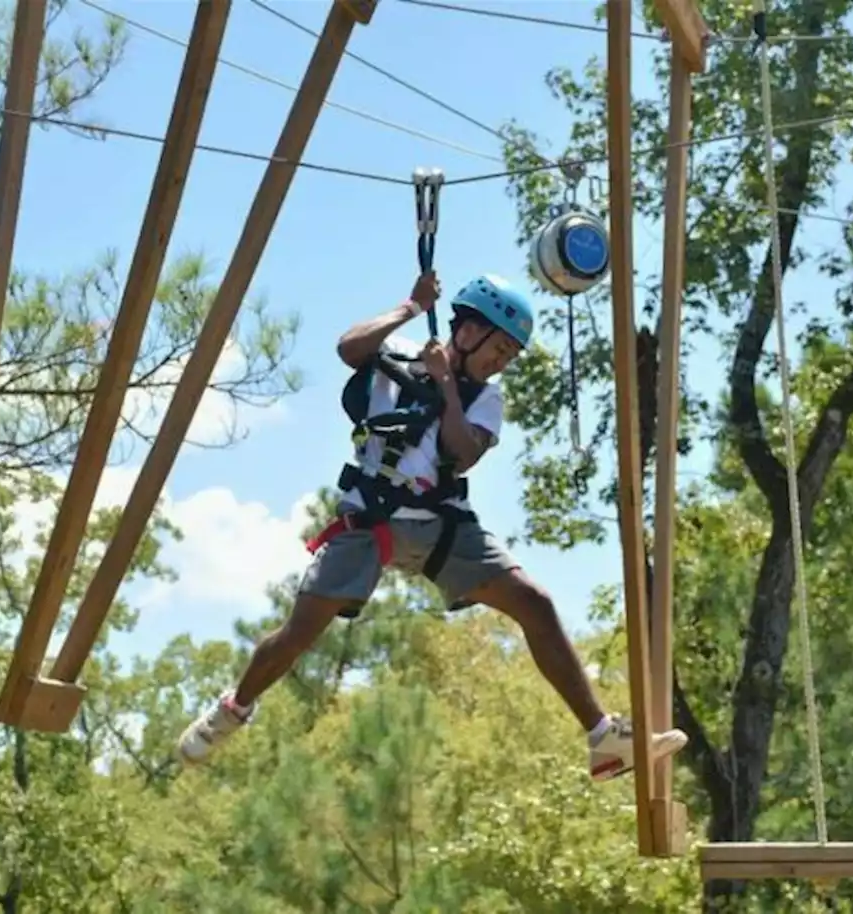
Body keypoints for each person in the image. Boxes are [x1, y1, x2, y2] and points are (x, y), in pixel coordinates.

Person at [176, 271, 688, 781]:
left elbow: (461, 454)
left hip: (443, 525)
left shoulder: (486, 398)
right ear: (467, 331)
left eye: (510, 355)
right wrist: (411, 307)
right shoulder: (397, 352)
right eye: (499, 348)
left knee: (535, 603)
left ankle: (602, 738)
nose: (501, 362)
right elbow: (349, 348)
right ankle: (233, 708)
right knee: (300, 632)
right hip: (370, 518)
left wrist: (446, 380)